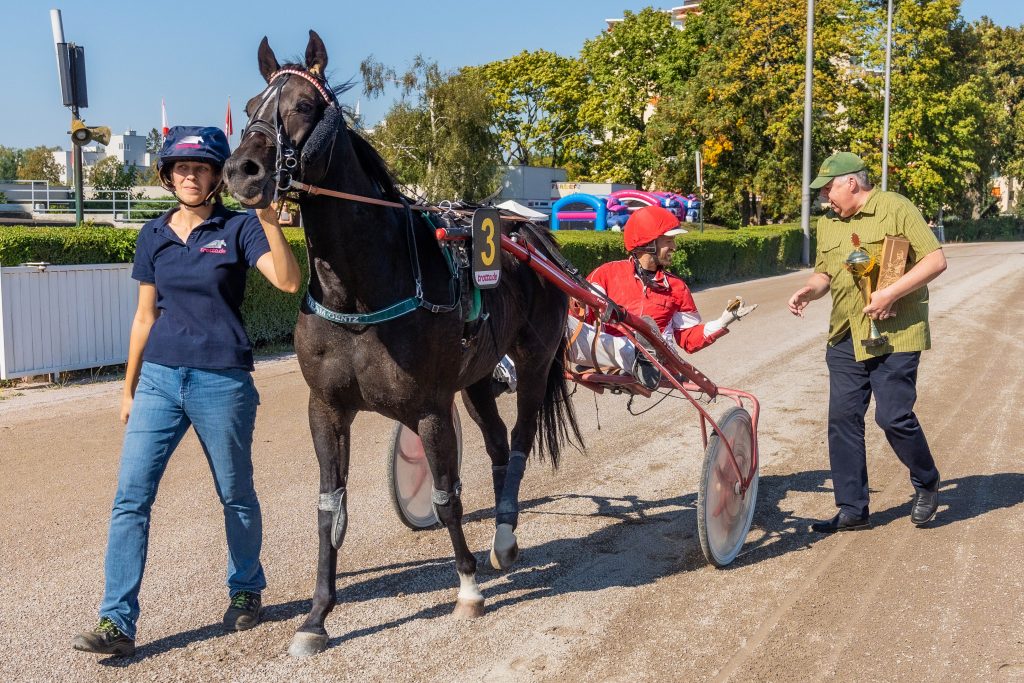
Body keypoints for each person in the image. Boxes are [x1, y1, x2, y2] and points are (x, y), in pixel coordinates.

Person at [72, 126, 301, 657]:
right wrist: (127, 391)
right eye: (180, 168)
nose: (190, 176)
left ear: (218, 175)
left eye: (200, 168)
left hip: (222, 379)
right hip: (157, 380)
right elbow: (143, 317)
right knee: (131, 498)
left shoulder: (239, 228)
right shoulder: (153, 234)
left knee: (235, 494)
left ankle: (246, 588)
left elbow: (288, 283)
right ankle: (116, 622)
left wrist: (268, 218)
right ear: (167, 174)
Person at [788, 151, 947, 533]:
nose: (826, 197)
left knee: (893, 417)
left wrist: (891, 294)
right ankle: (852, 509)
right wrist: (809, 291)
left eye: (828, 189)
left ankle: (926, 482)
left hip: (895, 333)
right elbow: (824, 273)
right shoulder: (829, 223)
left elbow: (935, 260)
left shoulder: (896, 208)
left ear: (851, 183)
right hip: (846, 332)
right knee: (842, 420)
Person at [567, 205, 756, 389]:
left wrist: (723, 322)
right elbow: (581, 316)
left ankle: (645, 356)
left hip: (652, 358)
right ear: (648, 243)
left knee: (644, 329)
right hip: (604, 351)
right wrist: (574, 304)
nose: (674, 247)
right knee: (562, 321)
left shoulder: (676, 288)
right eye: (668, 241)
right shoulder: (606, 273)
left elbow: (688, 339)